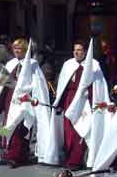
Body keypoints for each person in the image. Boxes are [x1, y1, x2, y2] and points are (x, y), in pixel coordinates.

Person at [43, 40, 110, 170]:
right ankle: (69, 157)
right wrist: (60, 102)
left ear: (85, 52)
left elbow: (98, 87)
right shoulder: (68, 65)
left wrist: (93, 101)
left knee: (81, 131)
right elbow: (62, 85)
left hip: (84, 103)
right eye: (75, 50)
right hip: (69, 100)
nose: (76, 52)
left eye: (79, 50)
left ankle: (76, 161)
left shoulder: (94, 65)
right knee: (68, 132)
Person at [0, 38, 50, 168]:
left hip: (24, 102)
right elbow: (2, 83)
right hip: (9, 99)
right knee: (8, 125)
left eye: (19, 48)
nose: (17, 51)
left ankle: (17, 155)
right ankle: (9, 153)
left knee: (21, 128)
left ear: (25, 50)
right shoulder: (10, 63)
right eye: (15, 48)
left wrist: (30, 95)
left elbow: (37, 84)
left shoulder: (32, 64)